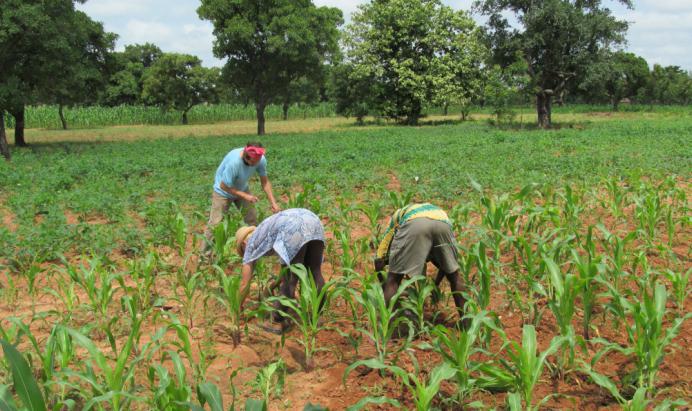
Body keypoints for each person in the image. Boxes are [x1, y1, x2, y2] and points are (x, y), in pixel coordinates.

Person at [235, 208, 326, 333]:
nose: (245, 254)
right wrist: (274, 284)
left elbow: (245, 284)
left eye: (242, 250)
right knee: (315, 273)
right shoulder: (265, 230)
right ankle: (318, 316)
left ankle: (277, 321)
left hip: (292, 227)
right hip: (313, 220)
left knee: (290, 280)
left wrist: (237, 307)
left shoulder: (250, 244)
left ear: (244, 243)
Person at [374, 203, 466, 323]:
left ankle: (393, 326)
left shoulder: (397, 216)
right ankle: (468, 324)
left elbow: (379, 260)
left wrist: (385, 286)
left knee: (393, 279)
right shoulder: (434, 211)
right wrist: (434, 285)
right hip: (443, 222)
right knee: (454, 276)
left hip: (414, 224)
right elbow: (446, 266)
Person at [202, 142, 280, 254]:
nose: (256, 164)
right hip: (223, 192)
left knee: (252, 219)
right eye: (253, 162)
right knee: (215, 224)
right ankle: (204, 257)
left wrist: (273, 203)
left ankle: (255, 250)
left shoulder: (260, 159)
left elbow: (265, 182)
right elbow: (223, 186)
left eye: (257, 161)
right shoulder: (235, 163)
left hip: (242, 188)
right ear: (246, 157)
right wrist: (245, 195)